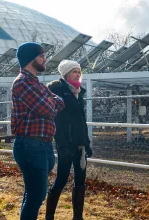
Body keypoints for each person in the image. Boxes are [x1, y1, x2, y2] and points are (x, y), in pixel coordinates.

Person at [11, 42, 65, 220]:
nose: (45, 59)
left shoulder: (35, 83)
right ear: (30, 59)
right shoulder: (22, 82)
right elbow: (49, 108)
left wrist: (50, 100)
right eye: (41, 55)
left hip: (42, 145)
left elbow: (60, 101)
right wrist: (50, 100)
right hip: (31, 145)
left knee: (33, 195)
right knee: (36, 196)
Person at [45, 60, 93, 220]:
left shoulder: (78, 92)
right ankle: (49, 215)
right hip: (66, 144)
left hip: (80, 145)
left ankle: (77, 217)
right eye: (74, 71)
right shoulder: (58, 91)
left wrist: (87, 143)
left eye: (79, 71)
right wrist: (61, 144)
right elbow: (56, 120)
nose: (78, 74)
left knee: (80, 180)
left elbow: (81, 121)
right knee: (61, 179)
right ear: (66, 74)